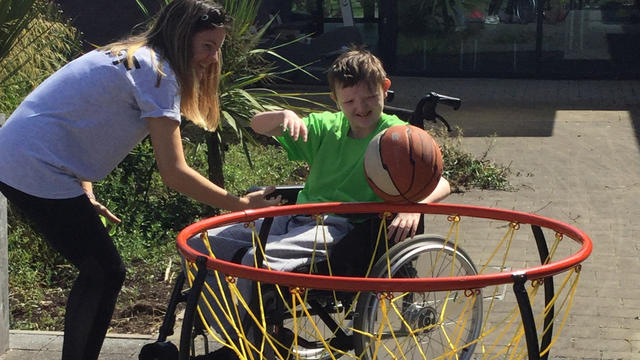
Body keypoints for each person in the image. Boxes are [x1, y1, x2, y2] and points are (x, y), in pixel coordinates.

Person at [0, 1, 280, 359]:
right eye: (207, 46)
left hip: (21, 156)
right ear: (182, 39)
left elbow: (75, 118)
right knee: (105, 271)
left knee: (99, 271)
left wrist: (82, 187)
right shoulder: (157, 72)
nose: (213, 58)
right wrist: (242, 206)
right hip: (32, 165)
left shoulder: (131, 54)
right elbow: (174, 171)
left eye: (218, 48)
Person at [186, 48, 451, 356]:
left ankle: (250, 345)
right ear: (335, 100)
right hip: (295, 216)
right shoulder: (327, 127)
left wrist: (413, 206)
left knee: (253, 262)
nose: (360, 108)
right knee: (199, 243)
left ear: (385, 88)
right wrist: (282, 117)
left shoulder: (397, 136)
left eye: (369, 98)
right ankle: (235, 335)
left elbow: (442, 181)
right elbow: (257, 125)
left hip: (341, 229)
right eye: (350, 101)